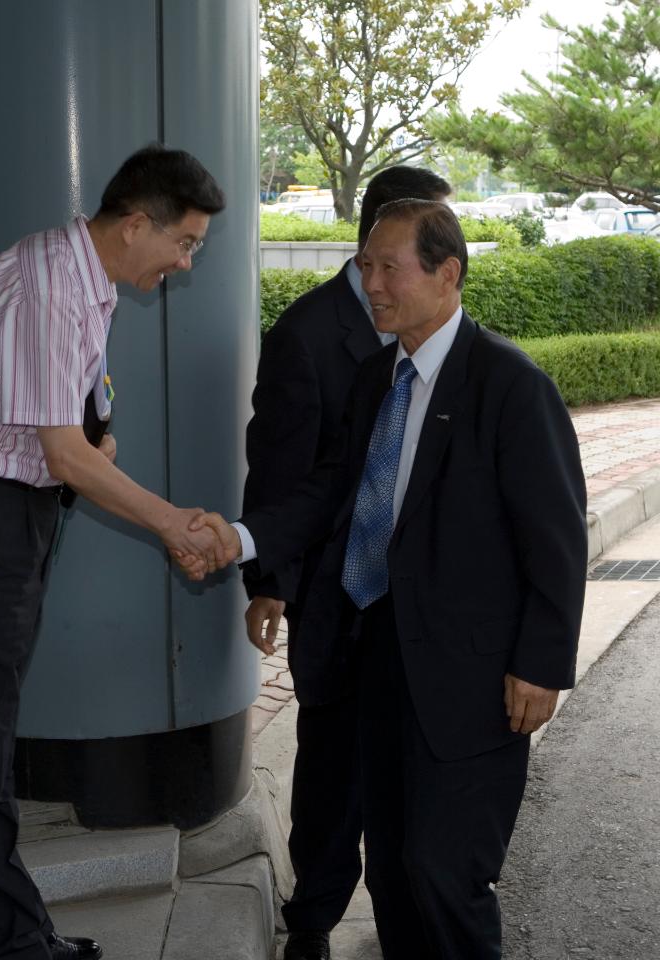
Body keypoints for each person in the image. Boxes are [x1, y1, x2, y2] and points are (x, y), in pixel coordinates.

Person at [215, 199, 586, 959]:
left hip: (474, 680)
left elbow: (556, 539)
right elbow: (329, 490)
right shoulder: (374, 377)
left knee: (445, 874)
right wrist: (243, 539)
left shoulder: (510, 387)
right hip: (378, 663)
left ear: (447, 274)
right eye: (364, 266)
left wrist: (541, 665)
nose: (371, 284)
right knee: (392, 870)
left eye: (390, 267)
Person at [0, 144, 237, 960]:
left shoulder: (81, 277)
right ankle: (11, 942)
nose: (187, 261)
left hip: (2, 510)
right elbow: (60, 452)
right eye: (185, 243)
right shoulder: (53, 286)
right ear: (134, 225)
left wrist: (92, 444)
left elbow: (64, 433)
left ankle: (11, 930)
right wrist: (169, 522)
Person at [241, 166, 450, 960]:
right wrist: (270, 583)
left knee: (407, 776)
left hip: (418, 613)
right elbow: (286, 472)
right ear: (376, 240)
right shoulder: (306, 334)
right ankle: (315, 922)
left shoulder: (439, 330)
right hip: (338, 600)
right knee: (332, 776)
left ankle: (411, 912)